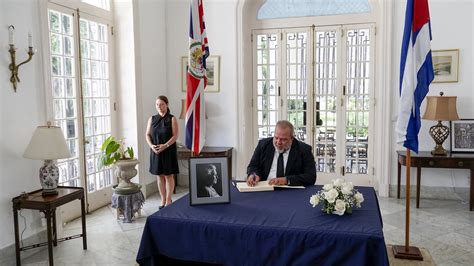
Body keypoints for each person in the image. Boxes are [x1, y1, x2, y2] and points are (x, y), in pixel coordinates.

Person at [246, 120, 316, 187]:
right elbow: (253, 166)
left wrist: (286, 180)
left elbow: (311, 177)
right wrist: (253, 175)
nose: (278, 142)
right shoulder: (263, 145)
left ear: (292, 139)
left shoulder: (303, 149)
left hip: (290, 191)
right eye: (276, 138)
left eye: (283, 139)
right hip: (266, 187)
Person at [146, 96, 179, 209]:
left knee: (168, 176)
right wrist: (152, 146)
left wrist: (165, 145)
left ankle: (168, 200)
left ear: (167, 105)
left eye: (162, 104)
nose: (159, 107)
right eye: (157, 105)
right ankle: (162, 199)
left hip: (168, 150)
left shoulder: (172, 118)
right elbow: (147, 135)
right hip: (156, 151)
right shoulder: (152, 119)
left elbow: (175, 136)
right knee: (159, 176)